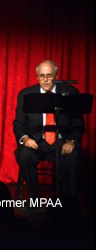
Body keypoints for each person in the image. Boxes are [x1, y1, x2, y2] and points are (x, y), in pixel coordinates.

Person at [13, 60, 84, 200]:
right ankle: (34, 198)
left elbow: (78, 122)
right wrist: (26, 139)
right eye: (42, 76)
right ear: (37, 76)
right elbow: (19, 123)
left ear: (56, 76)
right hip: (37, 142)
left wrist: (71, 141)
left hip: (62, 141)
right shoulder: (26, 94)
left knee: (72, 156)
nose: (45, 80)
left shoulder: (70, 93)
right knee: (24, 155)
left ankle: (68, 201)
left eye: (49, 75)